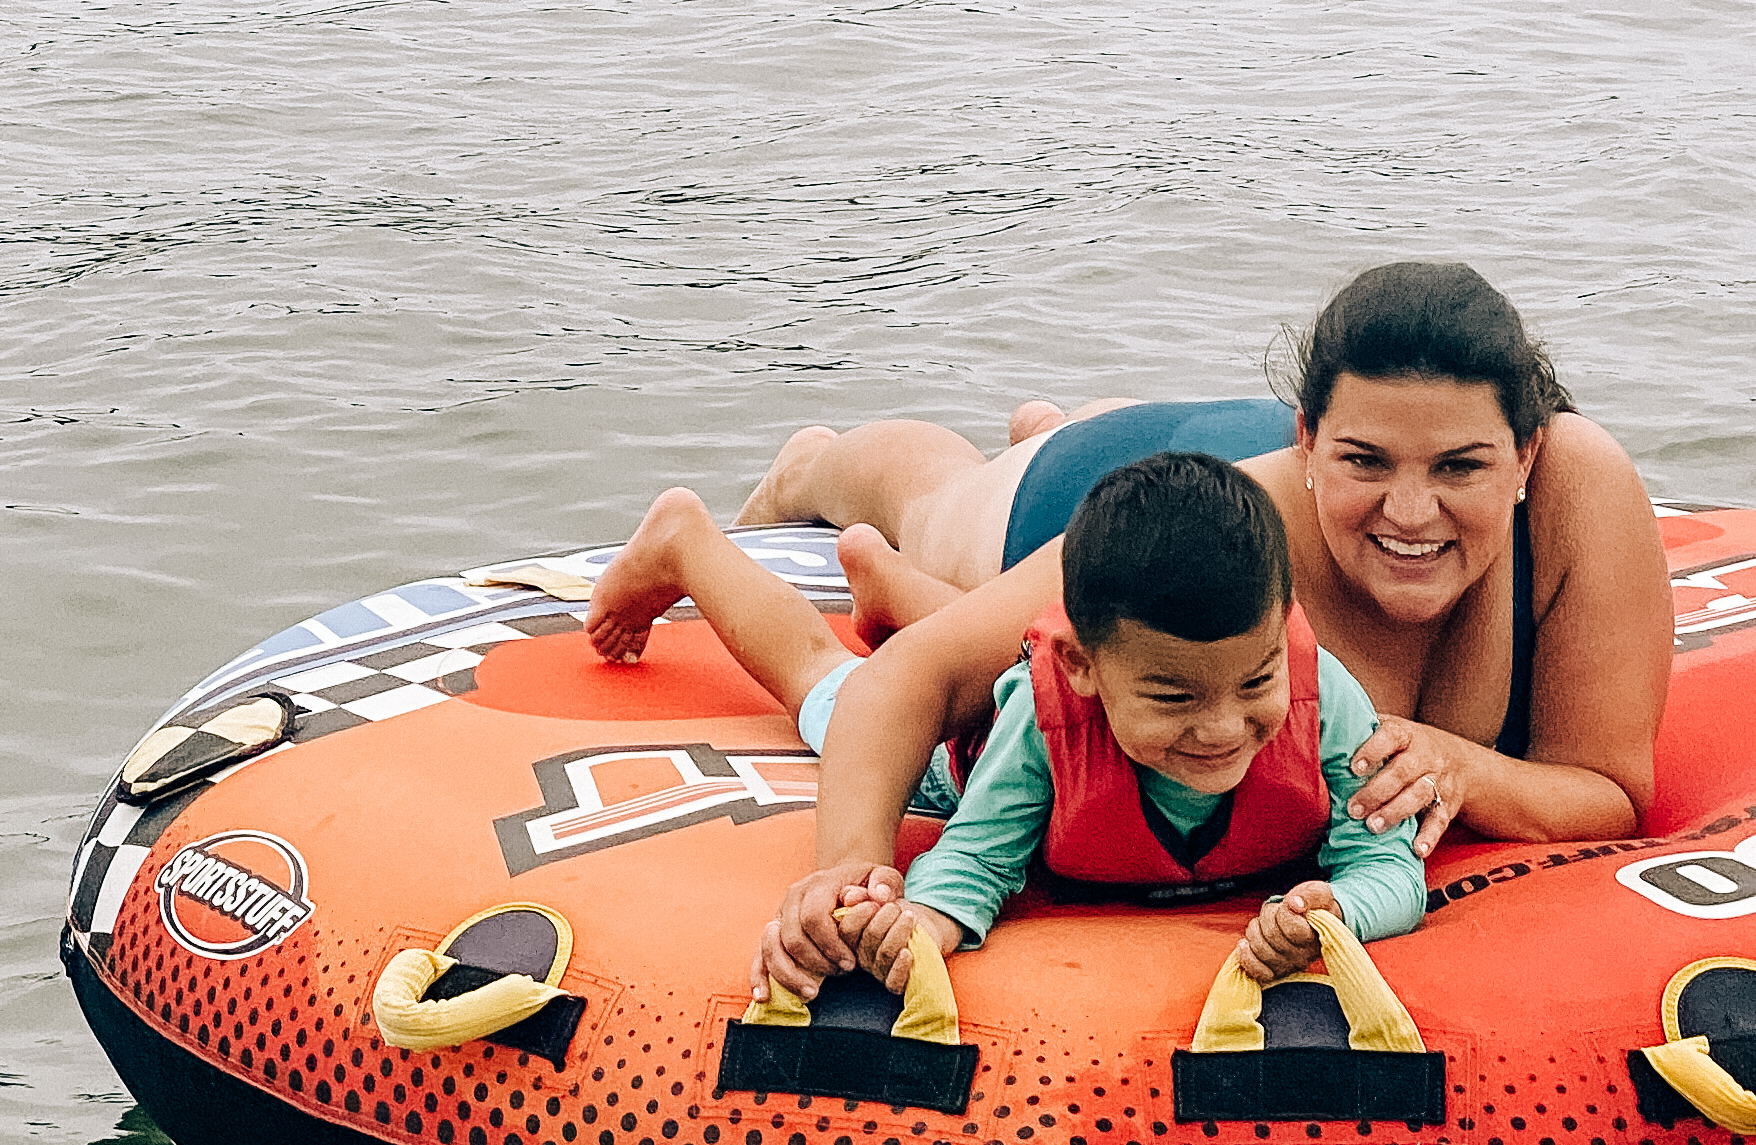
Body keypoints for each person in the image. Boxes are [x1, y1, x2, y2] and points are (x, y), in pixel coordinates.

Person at [649, 261, 1669, 1001]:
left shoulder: (1578, 492)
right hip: (1108, 495)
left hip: (1241, 453)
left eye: (1460, 468)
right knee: (945, 504)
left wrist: (1461, 766)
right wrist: (849, 869)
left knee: (1036, 613)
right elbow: (908, 679)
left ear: (1524, 451)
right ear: (1311, 442)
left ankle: (1019, 454)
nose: (1411, 511)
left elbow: (1611, 785)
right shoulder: (1252, 518)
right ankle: (827, 463)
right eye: (1365, 464)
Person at [583, 451, 1426, 990]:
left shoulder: (1324, 699)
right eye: (1175, 699)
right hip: (968, 751)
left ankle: (883, 579)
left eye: (1255, 683)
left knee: (968, 637)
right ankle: (687, 541)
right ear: (1081, 668)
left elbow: (1389, 865)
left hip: (1071, 665)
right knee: (827, 688)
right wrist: (911, 925)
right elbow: (974, 859)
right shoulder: (1042, 715)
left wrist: (1334, 908)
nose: (1224, 727)